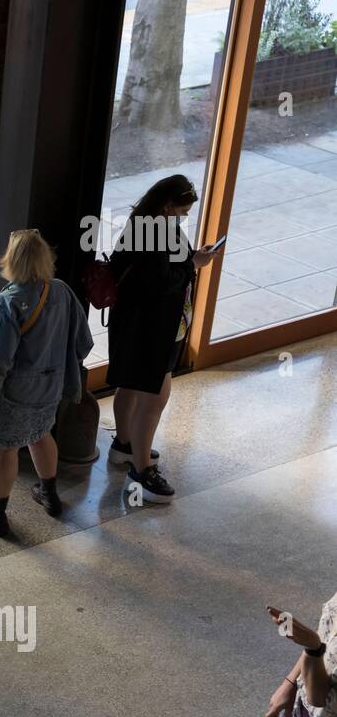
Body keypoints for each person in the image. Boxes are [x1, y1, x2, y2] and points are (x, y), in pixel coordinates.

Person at [106, 174, 222, 503]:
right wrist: (193, 264)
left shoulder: (144, 222)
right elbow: (160, 283)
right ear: (168, 205)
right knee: (154, 399)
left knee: (129, 385)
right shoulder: (154, 232)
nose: (184, 217)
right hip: (152, 330)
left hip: (136, 325)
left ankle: (124, 446)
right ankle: (141, 472)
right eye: (182, 211)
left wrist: (189, 258)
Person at [0, 229, 93, 538]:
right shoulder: (62, 291)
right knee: (41, 435)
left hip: (13, 393)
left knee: (6, 450)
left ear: (12, 261)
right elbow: (83, 341)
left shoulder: (8, 303)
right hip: (50, 387)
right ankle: (50, 496)